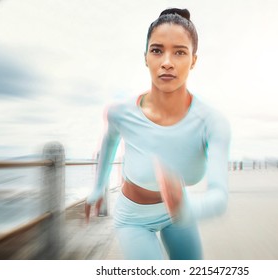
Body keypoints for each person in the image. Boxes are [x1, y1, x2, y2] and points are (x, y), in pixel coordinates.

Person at [85, 8, 231, 260]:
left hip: (180, 215)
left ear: (193, 60)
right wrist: (98, 187)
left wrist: (184, 210)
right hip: (133, 219)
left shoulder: (212, 122)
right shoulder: (120, 112)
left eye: (179, 52)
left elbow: (219, 198)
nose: (167, 61)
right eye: (157, 50)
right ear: (145, 57)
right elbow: (109, 142)